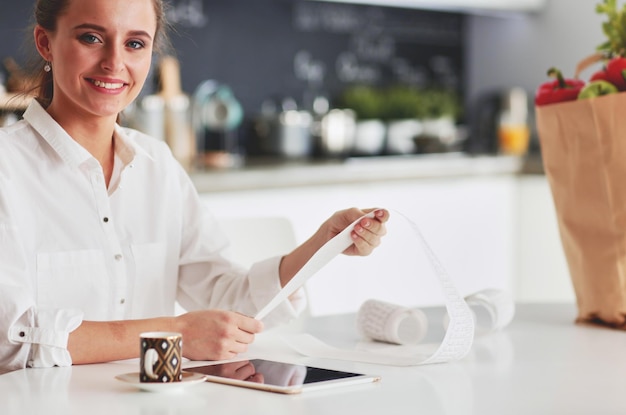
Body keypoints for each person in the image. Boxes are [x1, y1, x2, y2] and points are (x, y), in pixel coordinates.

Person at [0, 0, 389, 375]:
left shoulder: (158, 165)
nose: (114, 62)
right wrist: (177, 333)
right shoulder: (7, 166)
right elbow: (9, 339)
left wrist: (322, 245)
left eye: (135, 43)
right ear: (45, 42)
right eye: (91, 38)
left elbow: (226, 299)